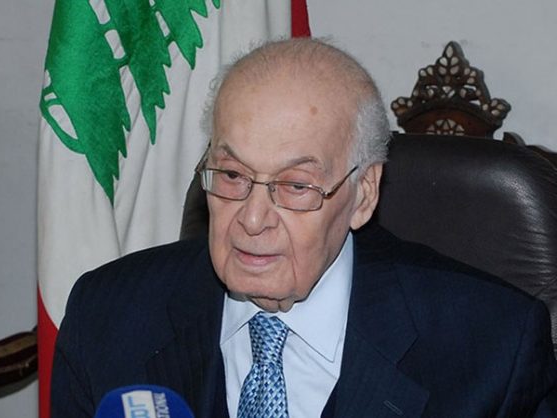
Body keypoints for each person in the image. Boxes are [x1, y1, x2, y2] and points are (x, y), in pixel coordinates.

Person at [51, 38, 557, 417]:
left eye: (295, 186)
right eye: (232, 175)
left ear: (363, 194)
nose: (251, 219)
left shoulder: (491, 347)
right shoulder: (108, 316)